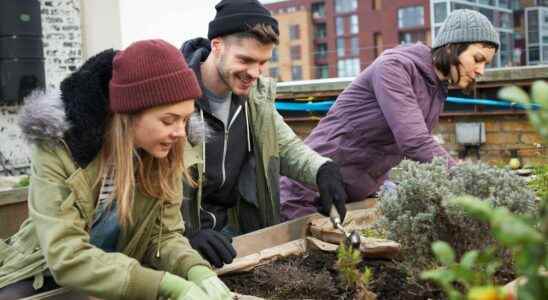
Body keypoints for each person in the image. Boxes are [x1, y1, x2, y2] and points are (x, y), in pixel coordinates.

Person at [0, 40, 232, 300]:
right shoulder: (59, 149)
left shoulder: (164, 151)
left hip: (122, 274)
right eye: (168, 120)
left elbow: (164, 236)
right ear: (129, 115)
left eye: (185, 119)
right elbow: (67, 255)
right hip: (43, 273)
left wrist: (196, 270)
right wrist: (166, 285)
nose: (180, 133)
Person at [279, 9, 500, 220]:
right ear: (452, 47)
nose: (481, 70)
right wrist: (467, 182)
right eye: (477, 59)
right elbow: (414, 141)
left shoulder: (436, 87)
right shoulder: (395, 67)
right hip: (309, 190)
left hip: (354, 192)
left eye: (486, 64)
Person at [180, 0, 348, 268]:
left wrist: (322, 170)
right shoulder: (175, 96)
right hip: (180, 239)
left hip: (232, 232)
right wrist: (185, 233)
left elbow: (285, 145)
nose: (254, 73)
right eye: (245, 60)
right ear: (217, 46)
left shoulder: (255, 97)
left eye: (262, 63)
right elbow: (149, 183)